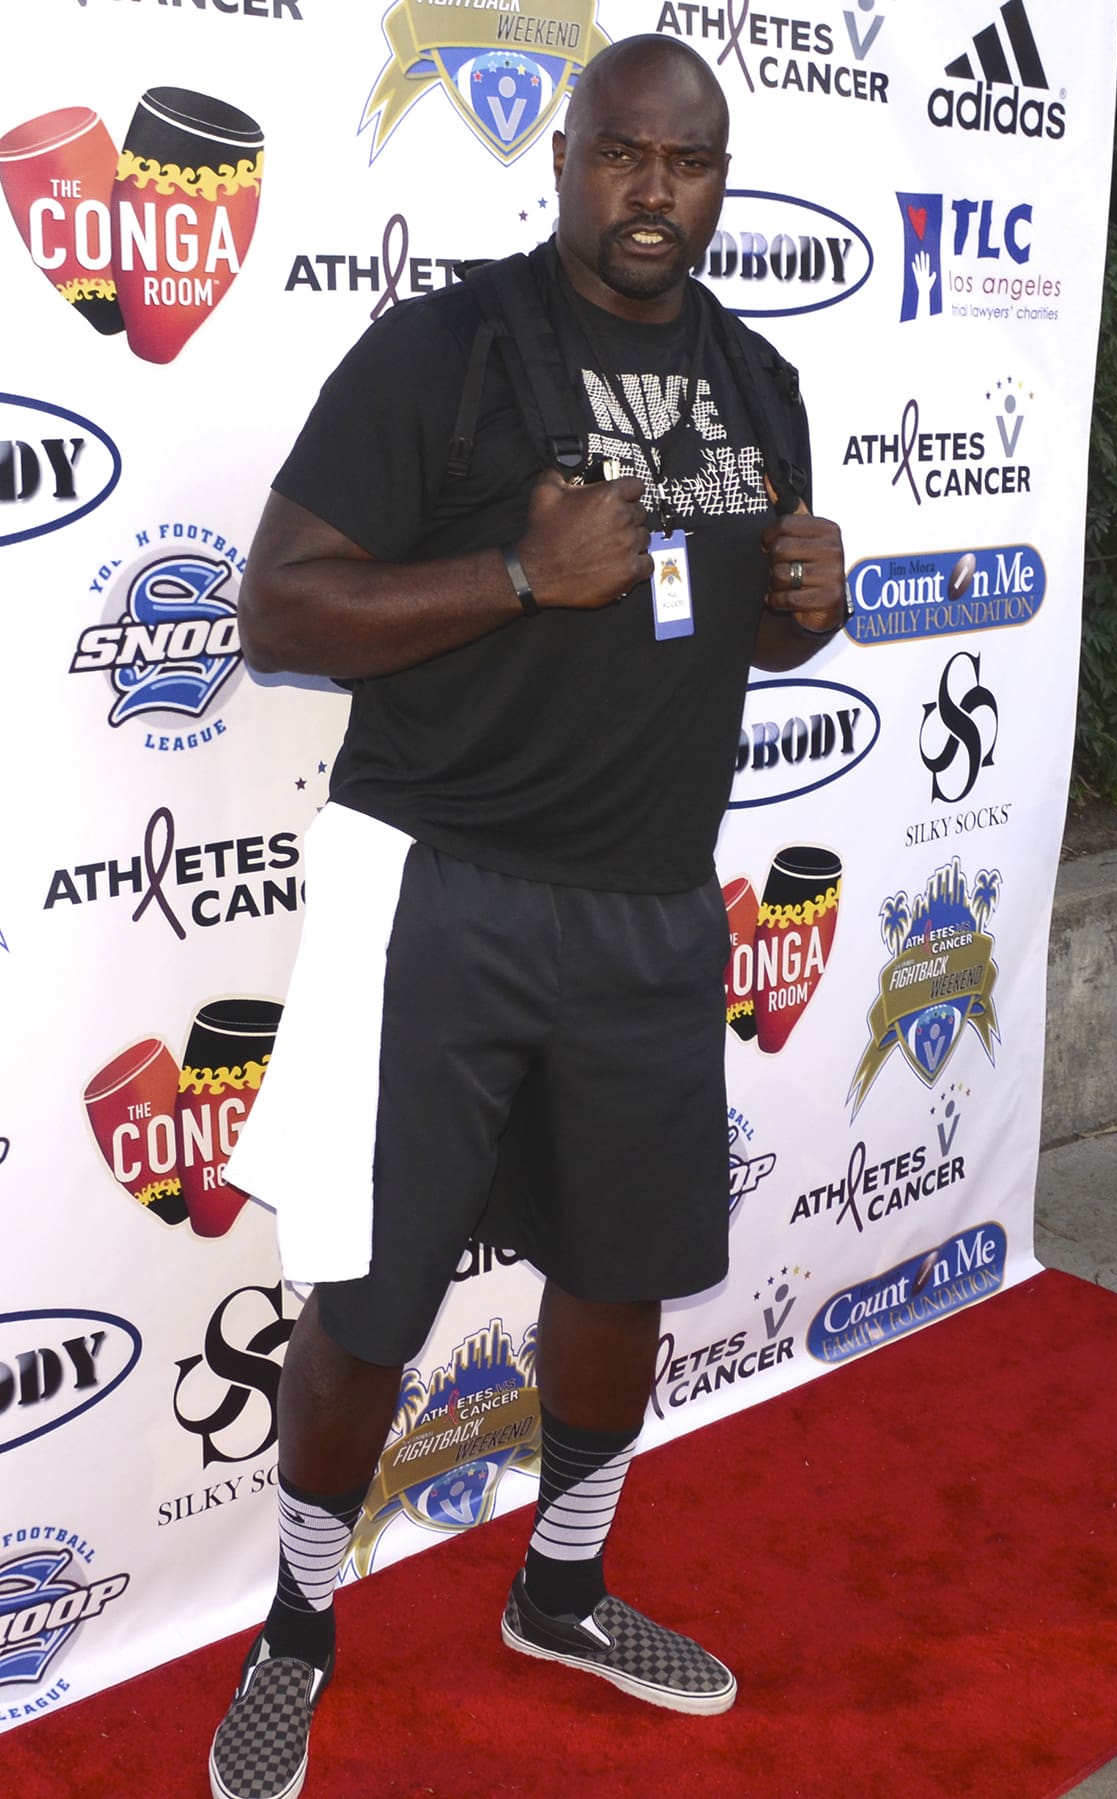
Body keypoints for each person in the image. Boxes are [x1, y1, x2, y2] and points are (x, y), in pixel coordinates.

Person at [208, 32, 847, 1799]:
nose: (657, 191)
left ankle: (560, 1588)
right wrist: (513, 572)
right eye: (625, 154)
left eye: (692, 162)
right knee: (367, 1298)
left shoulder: (757, 377)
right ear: (562, 161)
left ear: (723, 180)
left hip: (650, 910)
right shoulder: (451, 348)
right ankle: (299, 1628)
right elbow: (276, 610)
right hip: (441, 897)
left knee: (621, 1271)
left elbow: (736, 624)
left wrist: (805, 604)